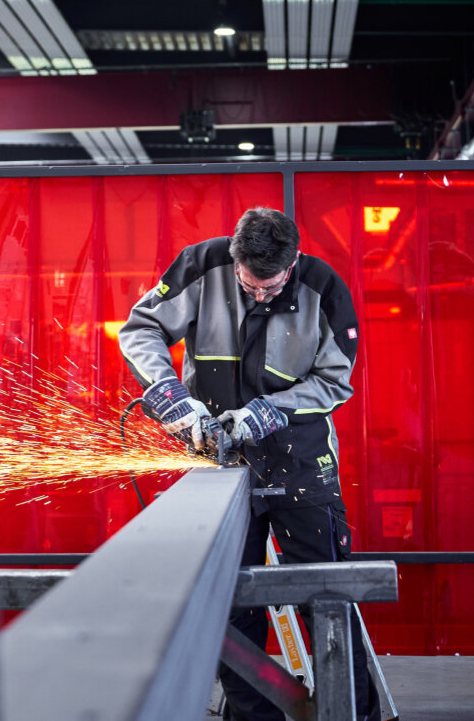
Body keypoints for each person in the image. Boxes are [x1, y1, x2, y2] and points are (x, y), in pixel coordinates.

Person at [119, 207, 378, 721]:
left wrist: (271, 412)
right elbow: (142, 328)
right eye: (248, 284)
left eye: (271, 286)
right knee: (232, 603)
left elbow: (334, 380)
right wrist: (167, 391)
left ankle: (353, 712)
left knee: (325, 594)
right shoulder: (203, 265)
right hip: (220, 462)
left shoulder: (324, 289)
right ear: (235, 259)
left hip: (300, 460)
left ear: (292, 263)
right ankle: (253, 716)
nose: (259, 295)